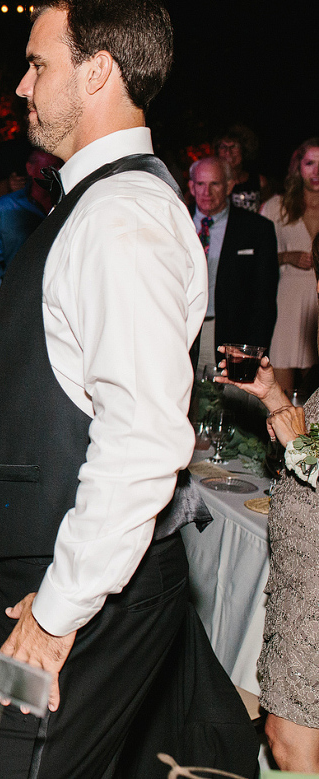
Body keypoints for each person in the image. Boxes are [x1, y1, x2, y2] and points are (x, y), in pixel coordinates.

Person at [0, 0, 255, 777]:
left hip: (71, 585)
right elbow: (74, 390)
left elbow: (139, 442)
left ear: (97, 71)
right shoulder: (90, 204)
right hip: (51, 574)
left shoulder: (119, 217)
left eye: (36, 65)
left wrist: (57, 614)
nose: (22, 86)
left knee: (3, 767)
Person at [220, 259, 319, 770]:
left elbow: (309, 451)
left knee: (288, 741)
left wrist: (299, 444)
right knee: (286, 739)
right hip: (301, 589)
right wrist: (274, 397)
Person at [188, 155, 277, 373]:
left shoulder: (256, 229)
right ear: (191, 186)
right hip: (182, 334)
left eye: (214, 184)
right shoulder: (174, 223)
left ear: (229, 186)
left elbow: (264, 298)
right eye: (200, 184)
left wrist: (253, 349)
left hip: (230, 336)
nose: (206, 192)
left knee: (228, 403)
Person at [259, 139, 319, 397]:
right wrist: (286, 256)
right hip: (287, 301)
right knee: (279, 392)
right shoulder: (276, 206)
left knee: (314, 395)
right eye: (310, 163)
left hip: (317, 304)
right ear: (298, 167)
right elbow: (255, 257)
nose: (317, 172)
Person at [0, 149, 64, 303]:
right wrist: (4, 300)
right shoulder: (6, 207)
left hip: (60, 301)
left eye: (58, 166)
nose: (55, 171)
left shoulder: (68, 204)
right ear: (30, 168)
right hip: (16, 302)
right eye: (49, 166)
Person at [218, 125, 271, 213]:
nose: (228, 152)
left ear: (244, 149)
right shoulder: (211, 183)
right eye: (223, 147)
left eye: (234, 146)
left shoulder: (259, 181)